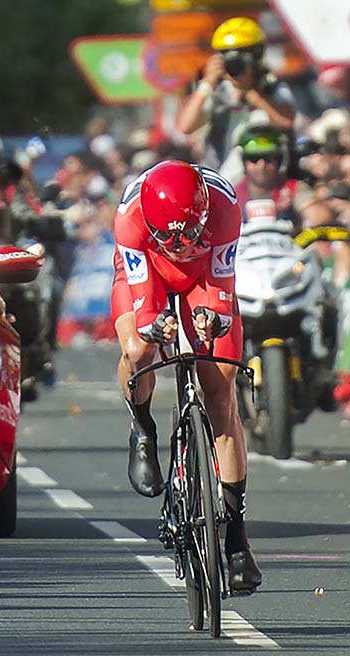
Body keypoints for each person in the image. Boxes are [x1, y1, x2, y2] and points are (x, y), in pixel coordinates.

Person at [111, 159, 262, 593]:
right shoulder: (129, 220)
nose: (178, 244)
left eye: (188, 235)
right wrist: (154, 326)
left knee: (220, 395)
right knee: (138, 348)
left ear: (203, 217)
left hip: (204, 278)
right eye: (168, 236)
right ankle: (141, 427)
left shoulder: (225, 207)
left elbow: (221, 286)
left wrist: (211, 320)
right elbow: (143, 307)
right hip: (147, 277)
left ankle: (236, 539)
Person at [177, 17, 295, 184]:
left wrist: (252, 94)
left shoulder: (272, 86)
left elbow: (287, 121)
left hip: (259, 182)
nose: (235, 63)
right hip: (218, 177)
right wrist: (206, 85)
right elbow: (186, 126)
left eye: (242, 55)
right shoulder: (217, 92)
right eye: (226, 56)